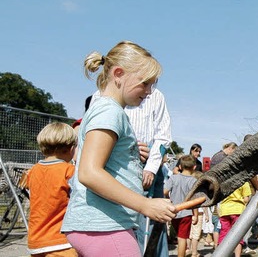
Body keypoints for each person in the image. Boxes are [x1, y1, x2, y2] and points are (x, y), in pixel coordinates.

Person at [61, 40, 176, 257]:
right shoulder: (109, 112)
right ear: (119, 74)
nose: (150, 92)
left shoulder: (107, 111)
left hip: (103, 224)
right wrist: (145, 205)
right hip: (105, 225)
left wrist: (131, 153)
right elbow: (89, 172)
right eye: (145, 83)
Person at [93, 87, 173, 256]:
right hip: (114, 167)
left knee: (152, 224)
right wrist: (128, 149)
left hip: (147, 169)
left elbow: (163, 136)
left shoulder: (156, 96)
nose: (149, 90)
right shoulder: (100, 97)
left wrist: (151, 168)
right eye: (146, 82)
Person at [26, 122, 78, 257]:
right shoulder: (69, 171)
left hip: (36, 242)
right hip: (61, 242)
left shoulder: (33, 171)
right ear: (72, 148)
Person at [164, 155, 198, 257]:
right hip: (186, 213)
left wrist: (168, 200)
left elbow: (165, 191)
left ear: (179, 167)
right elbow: (194, 200)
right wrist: (195, 214)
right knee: (182, 238)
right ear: (194, 167)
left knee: (178, 235)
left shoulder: (173, 178)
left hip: (174, 211)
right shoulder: (194, 181)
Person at [218, 181, 252, 257]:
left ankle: (221, 254)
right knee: (238, 236)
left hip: (224, 210)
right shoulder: (244, 181)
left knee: (224, 234)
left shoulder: (224, 180)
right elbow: (246, 199)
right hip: (238, 210)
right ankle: (237, 255)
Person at [187, 171, 208, 257]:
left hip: (188, 213)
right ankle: (194, 252)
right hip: (198, 213)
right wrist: (206, 214)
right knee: (196, 234)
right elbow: (204, 204)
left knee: (189, 233)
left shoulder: (189, 188)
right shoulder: (200, 191)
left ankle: (189, 249)